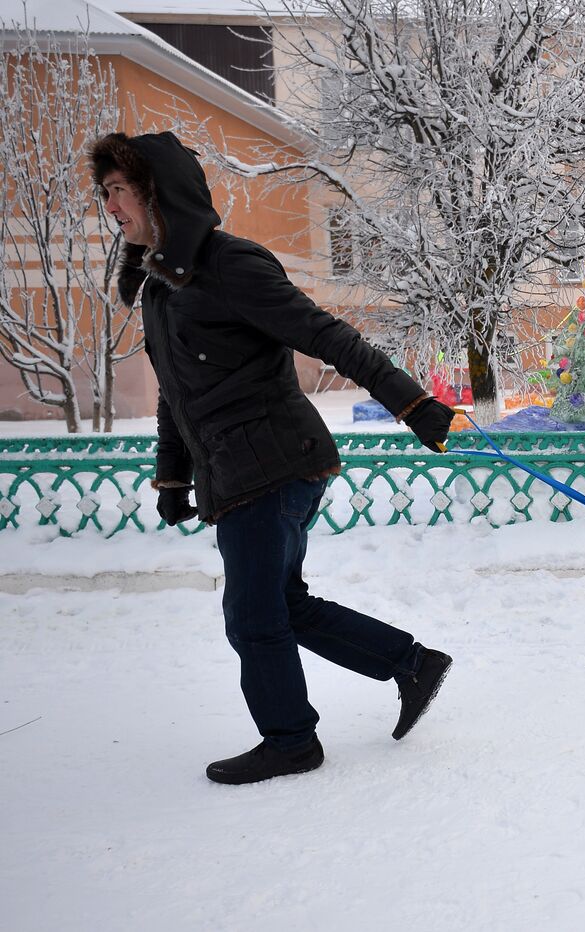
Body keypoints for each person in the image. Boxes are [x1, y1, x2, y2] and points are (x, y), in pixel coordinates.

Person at [91, 131, 459, 785]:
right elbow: (176, 395)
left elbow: (325, 334)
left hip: (273, 461)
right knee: (280, 603)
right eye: (106, 193)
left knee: (252, 614)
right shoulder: (159, 293)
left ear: (157, 193)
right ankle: (409, 663)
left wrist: (412, 405)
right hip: (236, 470)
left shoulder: (232, 265)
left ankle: (291, 740)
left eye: (119, 189)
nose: (110, 205)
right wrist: (172, 473)